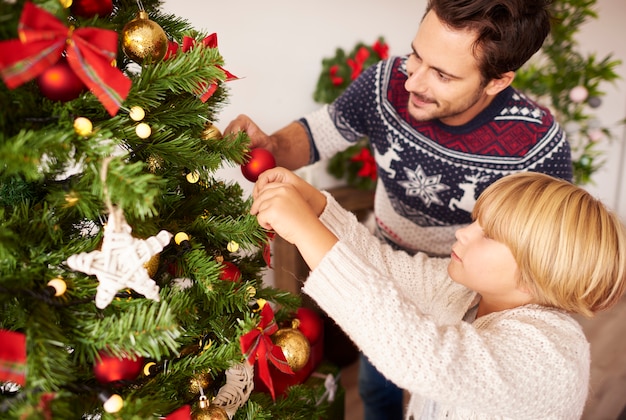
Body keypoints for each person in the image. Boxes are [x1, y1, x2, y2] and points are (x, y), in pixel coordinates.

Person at [226, 0, 572, 417]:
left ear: (498, 81)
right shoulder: (386, 82)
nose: (413, 82)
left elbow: (547, 258)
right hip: (387, 260)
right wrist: (272, 148)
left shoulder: (536, 145)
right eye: (416, 56)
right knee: (379, 390)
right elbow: (322, 131)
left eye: (442, 75)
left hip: (467, 289)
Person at [250, 167, 626, 420]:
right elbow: (383, 268)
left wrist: (303, 230)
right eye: (476, 221)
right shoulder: (469, 291)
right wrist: (315, 208)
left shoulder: (548, 356)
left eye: (488, 234)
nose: (463, 233)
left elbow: (421, 353)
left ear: (538, 274)